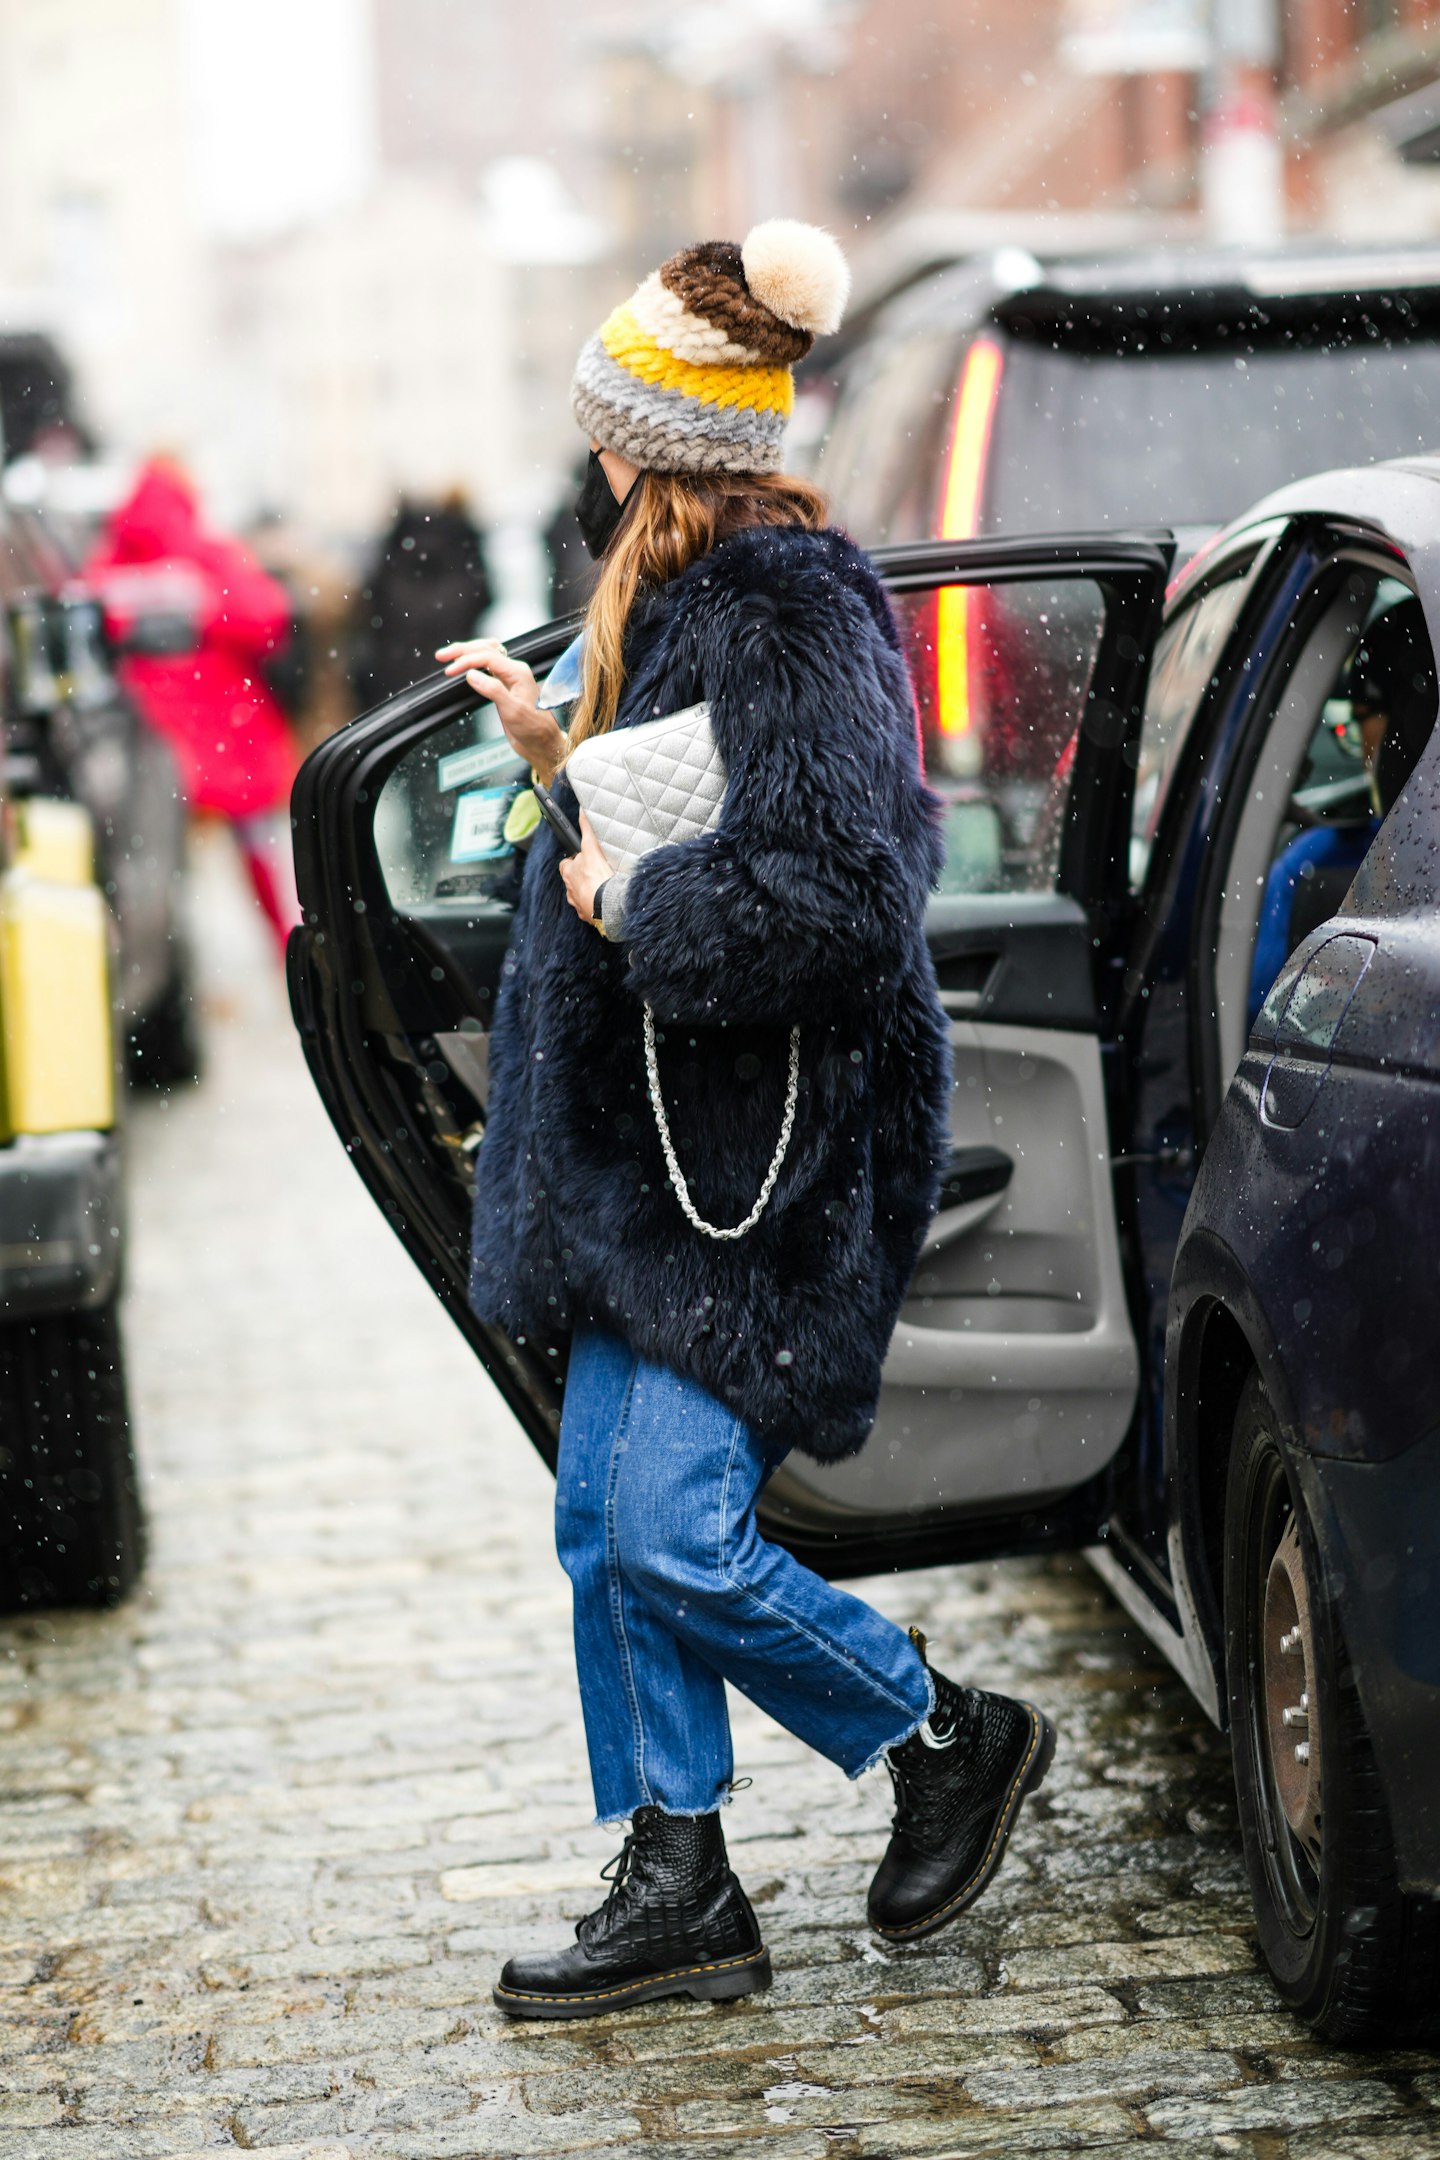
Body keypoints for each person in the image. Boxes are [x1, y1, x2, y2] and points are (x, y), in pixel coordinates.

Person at [437, 220, 1056, 2022]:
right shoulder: (673, 602)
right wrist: (564, 757)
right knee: (601, 1527)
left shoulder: (785, 605)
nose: (592, 454)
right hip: (661, 1153)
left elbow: (844, 895)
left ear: (657, 440)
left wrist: (638, 910)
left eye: (607, 424)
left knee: (670, 1534)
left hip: (758, 1161)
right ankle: (677, 1872)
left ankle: (938, 1732)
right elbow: (684, 807)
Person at [86, 456, 299, 954]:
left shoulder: (108, 565)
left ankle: (190, 982)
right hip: (230, 734)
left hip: (152, 746)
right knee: (262, 863)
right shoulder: (206, 554)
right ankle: (293, 960)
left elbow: (81, 633)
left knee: (165, 876)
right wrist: (206, 612)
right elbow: (268, 618)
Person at [1248, 597, 1437, 1020]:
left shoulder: (1314, 866)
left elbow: (1266, 1015)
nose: (1364, 752)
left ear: (1408, 727)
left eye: (1361, 722)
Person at [349, 490, 492, 712]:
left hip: (393, 703)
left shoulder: (391, 565)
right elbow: (484, 601)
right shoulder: (464, 564)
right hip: (453, 697)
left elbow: (366, 620)